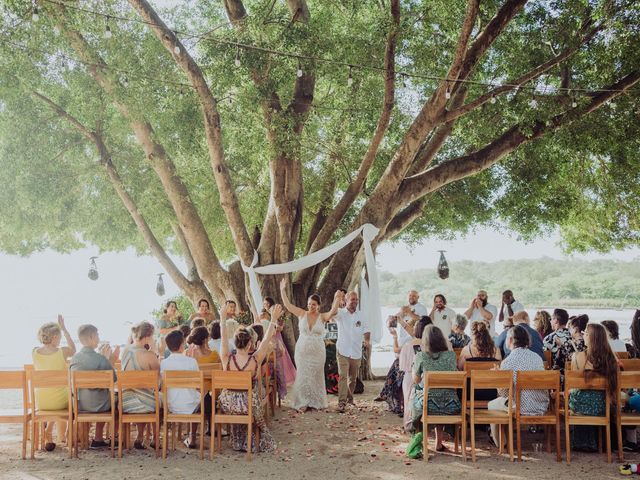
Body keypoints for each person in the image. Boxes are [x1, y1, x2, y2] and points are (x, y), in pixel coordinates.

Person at [218, 302, 281, 453]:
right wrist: (273, 319)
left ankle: (238, 440)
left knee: (236, 398)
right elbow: (265, 341)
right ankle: (251, 437)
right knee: (253, 400)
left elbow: (223, 338)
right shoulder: (254, 360)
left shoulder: (226, 358)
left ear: (235, 344)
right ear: (249, 346)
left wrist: (222, 319)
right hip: (247, 405)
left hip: (228, 404)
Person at [280, 278, 340, 412]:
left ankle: (315, 402)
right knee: (303, 374)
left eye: (313, 304)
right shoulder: (302, 314)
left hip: (318, 352)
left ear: (318, 305)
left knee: (316, 375)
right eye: (309, 304)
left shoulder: (323, 317)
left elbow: (333, 311)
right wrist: (282, 290)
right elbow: (288, 305)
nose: (310, 306)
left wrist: (336, 298)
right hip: (302, 351)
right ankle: (302, 402)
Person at [488, 325, 548, 447]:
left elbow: (504, 394)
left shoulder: (508, 361)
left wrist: (499, 378)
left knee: (492, 405)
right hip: (541, 406)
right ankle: (503, 440)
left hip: (521, 408)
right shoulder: (537, 358)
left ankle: (501, 443)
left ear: (510, 340)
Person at [569, 323, 619, 452]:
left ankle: (582, 442)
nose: (582, 334)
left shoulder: (577, 357)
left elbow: (575, 385)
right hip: (604, 406)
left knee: (573, 394)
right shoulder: (612, 359)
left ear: (592, 338)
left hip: (581, 406)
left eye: (585, 332)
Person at [69, 324, 119, 449]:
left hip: (80, 404)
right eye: (97, 335)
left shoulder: (74, 359)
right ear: (91, 337)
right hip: (101, 405)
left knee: (100, 396)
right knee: (117, 401)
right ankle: (102, 437)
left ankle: (88, 439)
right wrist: (107, 359)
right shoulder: (100, 359)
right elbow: (114, 379)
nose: (99, 337)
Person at [412, 325, 460, 451]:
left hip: (429, 404)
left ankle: (420, 441)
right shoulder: (451, 356)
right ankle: (438, 443)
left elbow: (416, 380)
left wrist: (414, 368)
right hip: (452, 404)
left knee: (417, 398)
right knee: (442, 395)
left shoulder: (421, 356)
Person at [32, 315, 77, 451]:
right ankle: (68, 432)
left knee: (54, 395)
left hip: (41, 402)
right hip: (60, 401)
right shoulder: (61, 352)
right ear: (55, 338)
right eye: (60, 337)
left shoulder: (34, 352)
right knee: (75, 401)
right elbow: (73, 349)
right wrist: (64, 329)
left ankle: (48, 432)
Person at [120, 321, 160, 450]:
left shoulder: (125, 351)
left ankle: (140, 436)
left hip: (125, 402)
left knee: (139, 392)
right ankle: (155, 437)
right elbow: (158, 382)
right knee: (158, 397)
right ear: (148, 336)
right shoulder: (150, 356)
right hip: (145, 403)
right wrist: (155, 350)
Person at [160, 330, 203, 449]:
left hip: (171, 406)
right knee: (201, 397)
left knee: (192, 396)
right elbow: (197, 386)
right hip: (191, 406)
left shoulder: (164, 363)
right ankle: (192, 437)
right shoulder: (192, 362)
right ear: (182, 344)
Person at [333, 291, 372, 412]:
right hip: (342, 350)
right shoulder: (340, 313)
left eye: (356, 300)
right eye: (352, 299)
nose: (355, 302)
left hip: (356, 351)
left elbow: (366, 329)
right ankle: (342, 402)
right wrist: (336, 298)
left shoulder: (361, 315)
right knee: (343, 376)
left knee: (353, 379)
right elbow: (332, 313)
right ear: (346, 300)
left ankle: (350, 399)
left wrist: (366, 340)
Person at [399, 317, 430, 432]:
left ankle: (409, 425)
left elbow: (403, 366)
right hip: (428, 378)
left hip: (410, 376)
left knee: (408, 401)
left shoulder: (408, 345)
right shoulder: (432, 346)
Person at [263, 296, 296, 398]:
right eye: (264, 303)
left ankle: (284, 381)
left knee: (281, 357)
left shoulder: (274, 310)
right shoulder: (265, 312)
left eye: (266, 303)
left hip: (276, 336)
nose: (265, 305)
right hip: (269, 336)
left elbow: (280, 327)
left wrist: (275, 327)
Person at [543, 308, 572, 373]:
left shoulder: (549, 338)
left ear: (556, 320)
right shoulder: (573, 336)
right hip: (572, 374)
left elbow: (545, 360)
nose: (550, 321)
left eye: (551, 319)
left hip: (556, 375)